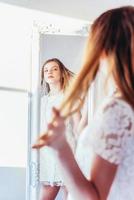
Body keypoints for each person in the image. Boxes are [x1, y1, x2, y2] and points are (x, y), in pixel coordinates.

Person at [33, 6, 134, 200]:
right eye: (46, 70)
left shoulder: (118, 110)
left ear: (102, 51)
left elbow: (93, 198)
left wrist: (61, 148)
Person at [39, 58, 81, 200]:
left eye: (54, 69)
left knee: (70, 194)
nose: (49, 72)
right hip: (46, 154)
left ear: (62, 73)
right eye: (46, 70)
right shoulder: (42, 100)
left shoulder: (71, 98)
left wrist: (81, 154)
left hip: (67, 150)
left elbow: (78, 127)